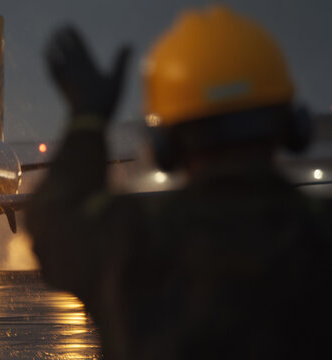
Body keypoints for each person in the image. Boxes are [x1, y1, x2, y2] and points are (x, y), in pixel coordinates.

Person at [27, 5, 331, 359]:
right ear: (293, 126)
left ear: (165, 145)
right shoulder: (320, 235)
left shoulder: (130, 241)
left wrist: (87, 121)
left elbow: (54, 217)